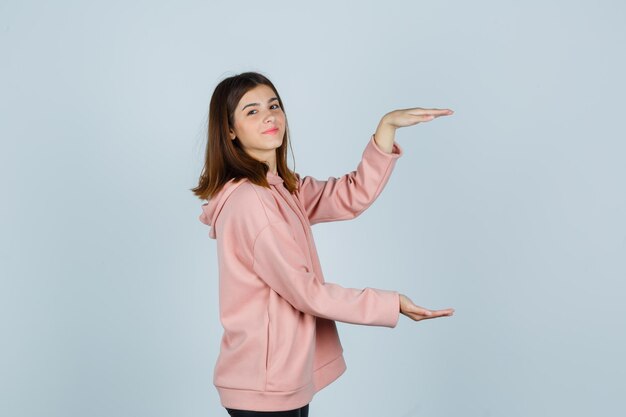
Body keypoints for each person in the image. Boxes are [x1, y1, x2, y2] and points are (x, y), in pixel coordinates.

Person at [191, 71, 455, 417]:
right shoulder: (252, 204)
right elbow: (307, 292)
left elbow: (350, 195)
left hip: (282, 376)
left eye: (274, 105)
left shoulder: (281, 188)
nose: (269, 115)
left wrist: (386, 128)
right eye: (251, 111)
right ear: (229, 131)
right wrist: (391, 305)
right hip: (263, 382)